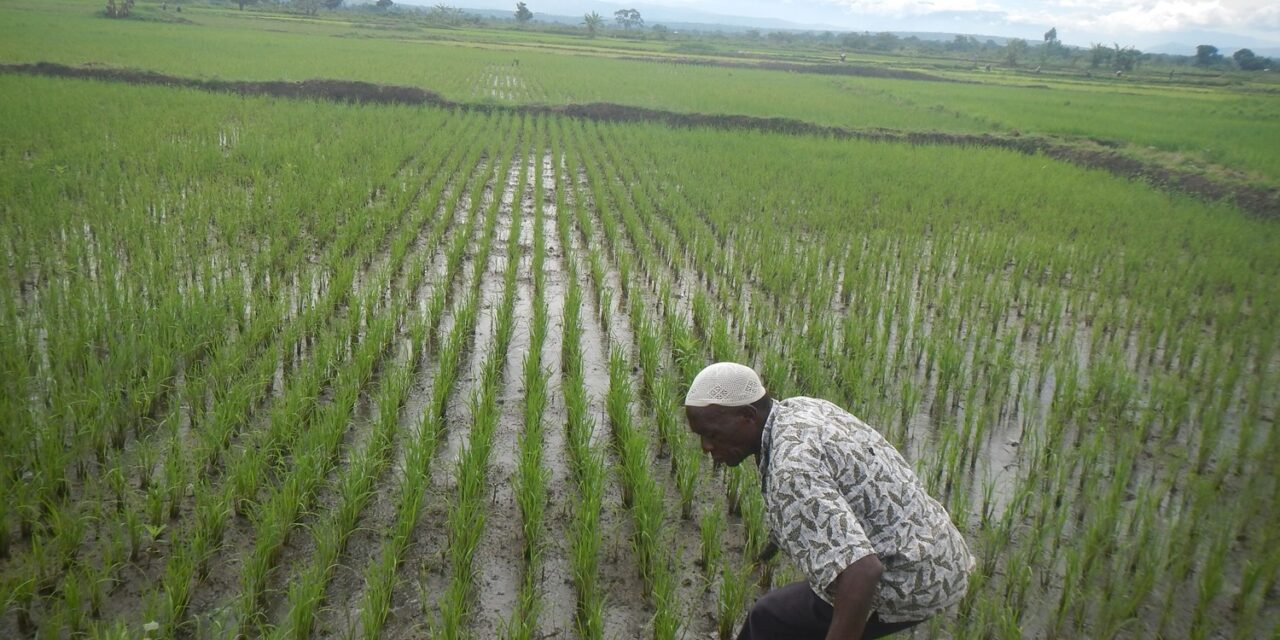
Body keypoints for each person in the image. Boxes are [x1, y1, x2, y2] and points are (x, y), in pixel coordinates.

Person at [685, 363, 975, 640]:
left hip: (913, 579)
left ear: (747, 417)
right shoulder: (797, 409)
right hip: (941, 550)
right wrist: (773, 544)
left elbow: (863, 571)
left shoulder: (791, 472)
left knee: (768, 620)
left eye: (711, 434)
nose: (706, 447)